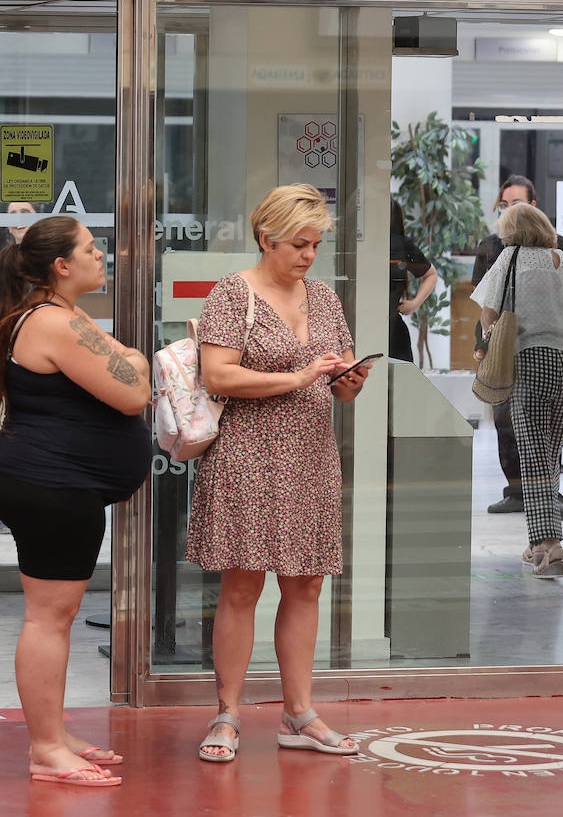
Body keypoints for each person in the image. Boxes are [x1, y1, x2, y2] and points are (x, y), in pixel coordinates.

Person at [188, 184, 369, 764]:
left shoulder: (325, 299)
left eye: (315, 245)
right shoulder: (231, 295)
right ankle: (228, 712)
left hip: (311, 455)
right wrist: (298, 378)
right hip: (248, 454)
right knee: (243, 583)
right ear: (265, 238)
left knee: (307, 583)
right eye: (298, 244)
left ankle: (299, 712)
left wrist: (347, 384)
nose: (308, 256)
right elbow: (218, 376)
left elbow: (334, 377)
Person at [0, 216, 152, 787]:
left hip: (57, 483)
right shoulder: (55, 323)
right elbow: (134, 390)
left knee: (58, 617)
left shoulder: (64, 317)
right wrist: (138, 359)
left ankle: (55, 733)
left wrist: (125, 355)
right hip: (51, 485)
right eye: (91, 249)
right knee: (48, 618)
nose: (103, 255)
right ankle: (46, 748)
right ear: (61, 266)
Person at [471, 204, 563, 578]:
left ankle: (549, 544)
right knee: (549, 453)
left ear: (513, 233)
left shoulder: (512, 257)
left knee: (533, 455)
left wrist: (489, 340)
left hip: (532, 360)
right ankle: (537, 544)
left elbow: (488, 311)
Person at [388, 200, 437, 364]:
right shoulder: (356, 243)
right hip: (361, 327)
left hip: (394, 332)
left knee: (398, 386)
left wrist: (415, 304)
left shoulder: (401, 245)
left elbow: (430, 274)